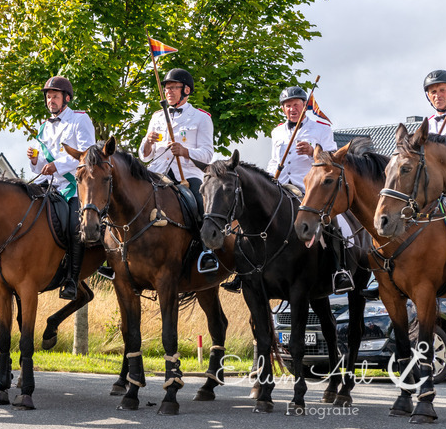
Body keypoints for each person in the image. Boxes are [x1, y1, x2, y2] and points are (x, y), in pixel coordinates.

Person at [223, 86, 352, 294]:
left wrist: (312, 152)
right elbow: (275, 159)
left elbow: (332, 159)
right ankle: (243, 272)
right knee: (252, 214)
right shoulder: (277, 131)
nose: (292, 109)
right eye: (288, 106)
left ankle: (340, 269)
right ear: (283, 109)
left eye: (296, 105)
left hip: (308, 186)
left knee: (333, 222)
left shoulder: (321, 128)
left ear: (304, 105)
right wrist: (269, 177)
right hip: (280, 185)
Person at [138, 67, 218, 272]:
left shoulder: (201, 118)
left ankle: (207, 251)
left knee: (201, 204)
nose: (169, 92)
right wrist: (147, 142)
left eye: (174, 87)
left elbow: (208, 154)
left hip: (187, 174)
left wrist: (185, 151)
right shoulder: (156, 117)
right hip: (157, 173)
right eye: (167, 88)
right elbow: (145, 155)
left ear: (186, 91)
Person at [28, 76, 95, 300]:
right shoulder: (43, 127)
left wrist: (57, 165)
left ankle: (72, 280)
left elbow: (88, 155)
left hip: (74, 186)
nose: (51, 101)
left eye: (55, 96)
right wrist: (34, 159)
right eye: (48, 97)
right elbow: (39, 167)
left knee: (76, 227)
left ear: (66, 98)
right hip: (49, 186)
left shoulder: (80, 119)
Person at [424, 70, 446, 140]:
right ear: (428, 95)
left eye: (442, 90)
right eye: (433, 91)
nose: (437, 95)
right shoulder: (426, 125)